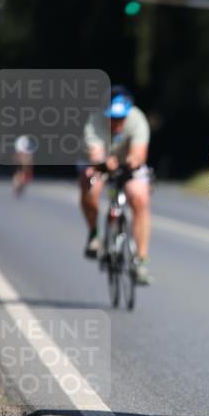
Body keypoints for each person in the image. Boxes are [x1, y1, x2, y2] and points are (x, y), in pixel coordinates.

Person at [79, 85, 153, 285]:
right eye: (113, 117)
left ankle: (141, 261)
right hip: (101, 162)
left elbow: (139, 153)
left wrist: (131, 161)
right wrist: (103, 163)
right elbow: (94, 154)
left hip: (128, 164)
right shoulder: (94, 121)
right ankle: (94, 234)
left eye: (121, 118)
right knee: (89, 185)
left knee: (139, 197)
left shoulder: (137, 119)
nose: (118, 123)